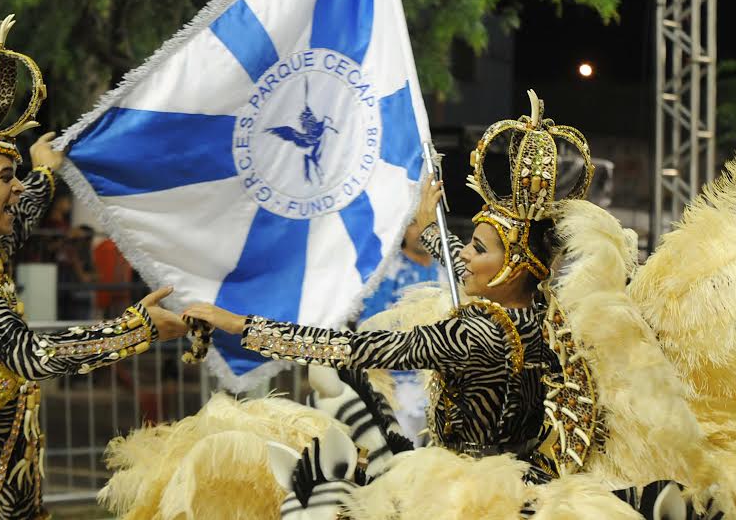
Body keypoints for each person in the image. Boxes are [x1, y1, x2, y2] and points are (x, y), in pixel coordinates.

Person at [0, 15, 194, 520]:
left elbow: (20, 217)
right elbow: (32, 356)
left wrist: (45, 171)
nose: (17, 187)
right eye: (6, 176)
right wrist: (135, 330)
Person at [183, 90, 586, 460]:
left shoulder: (473, 334)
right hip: (529, 481)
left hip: (463, 494)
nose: (462, 252)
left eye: (478, 248)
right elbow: (460, 267)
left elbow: (346, 348)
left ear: (515, 266)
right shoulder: (548, 319)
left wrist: (239, 325)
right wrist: (431, 230)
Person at [355, 219, 444, 445]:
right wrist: (381, 387)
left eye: (428, 222)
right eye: (413, 223)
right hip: (400, 390)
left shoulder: (446, 270)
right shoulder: (387, 270)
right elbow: (370, 330)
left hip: (442, 389)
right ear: (402, 226)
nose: (420, 230)